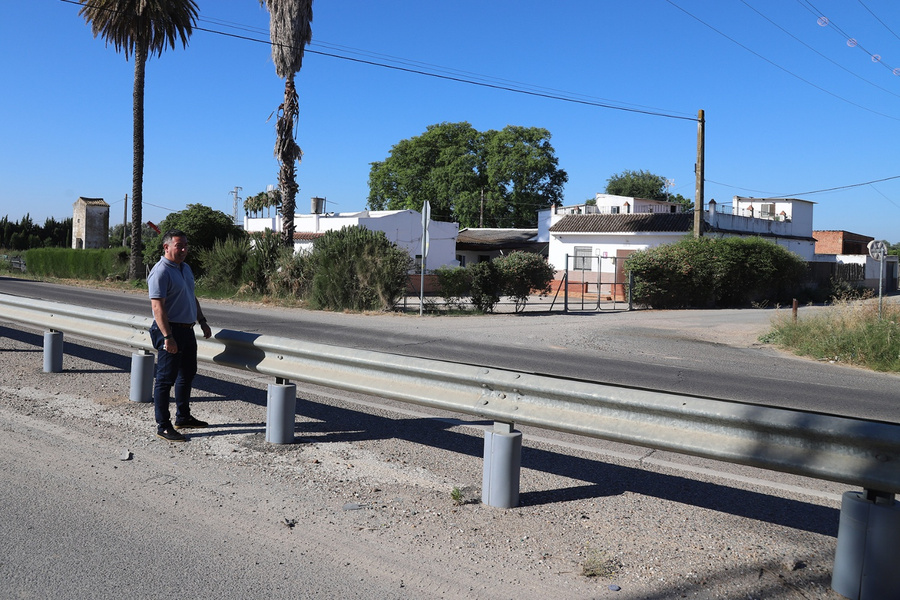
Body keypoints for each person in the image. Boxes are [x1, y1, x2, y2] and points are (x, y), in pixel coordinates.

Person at [147, 229, 212, 442]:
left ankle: (183, 416)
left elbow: (191, 297)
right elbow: (158, 308)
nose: (183, 250)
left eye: (185, 246)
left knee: (187, 374)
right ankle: (163, 426)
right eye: (179, 246)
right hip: (170, 330)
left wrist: (202, 321)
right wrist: (167, 336)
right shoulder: (161, 271)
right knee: (165, 380)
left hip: (187, 329)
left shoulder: (185, 268)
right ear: (166, 247)